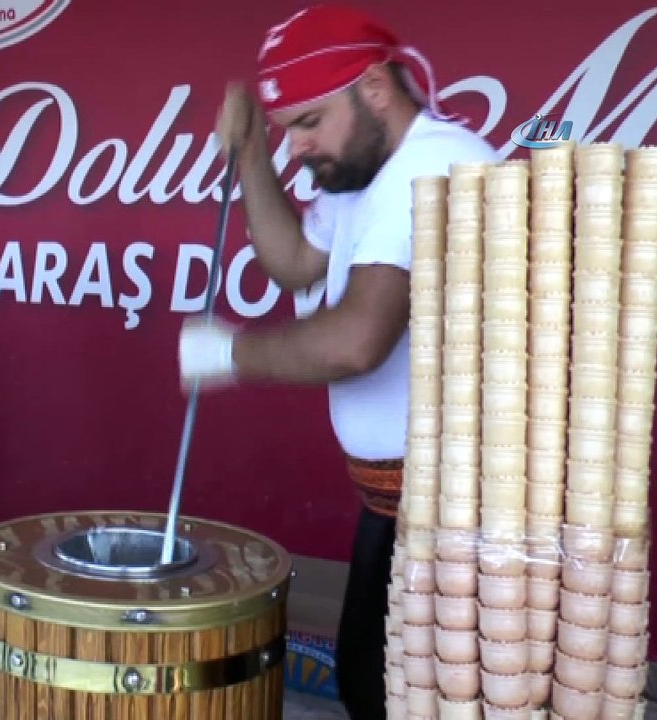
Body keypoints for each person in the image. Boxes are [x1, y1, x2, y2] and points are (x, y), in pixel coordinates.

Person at [176, 5, 499, 718]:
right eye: (290, 126)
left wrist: (226, 351)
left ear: (376, 88)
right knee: (374, 688)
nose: (301, 146)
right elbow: (294, 264)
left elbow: (357, 340)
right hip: (403, 502)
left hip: (471, 515)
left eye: (310, 121)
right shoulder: (362, 171)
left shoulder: (435, 162)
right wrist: (253, 150)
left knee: (418, 700)